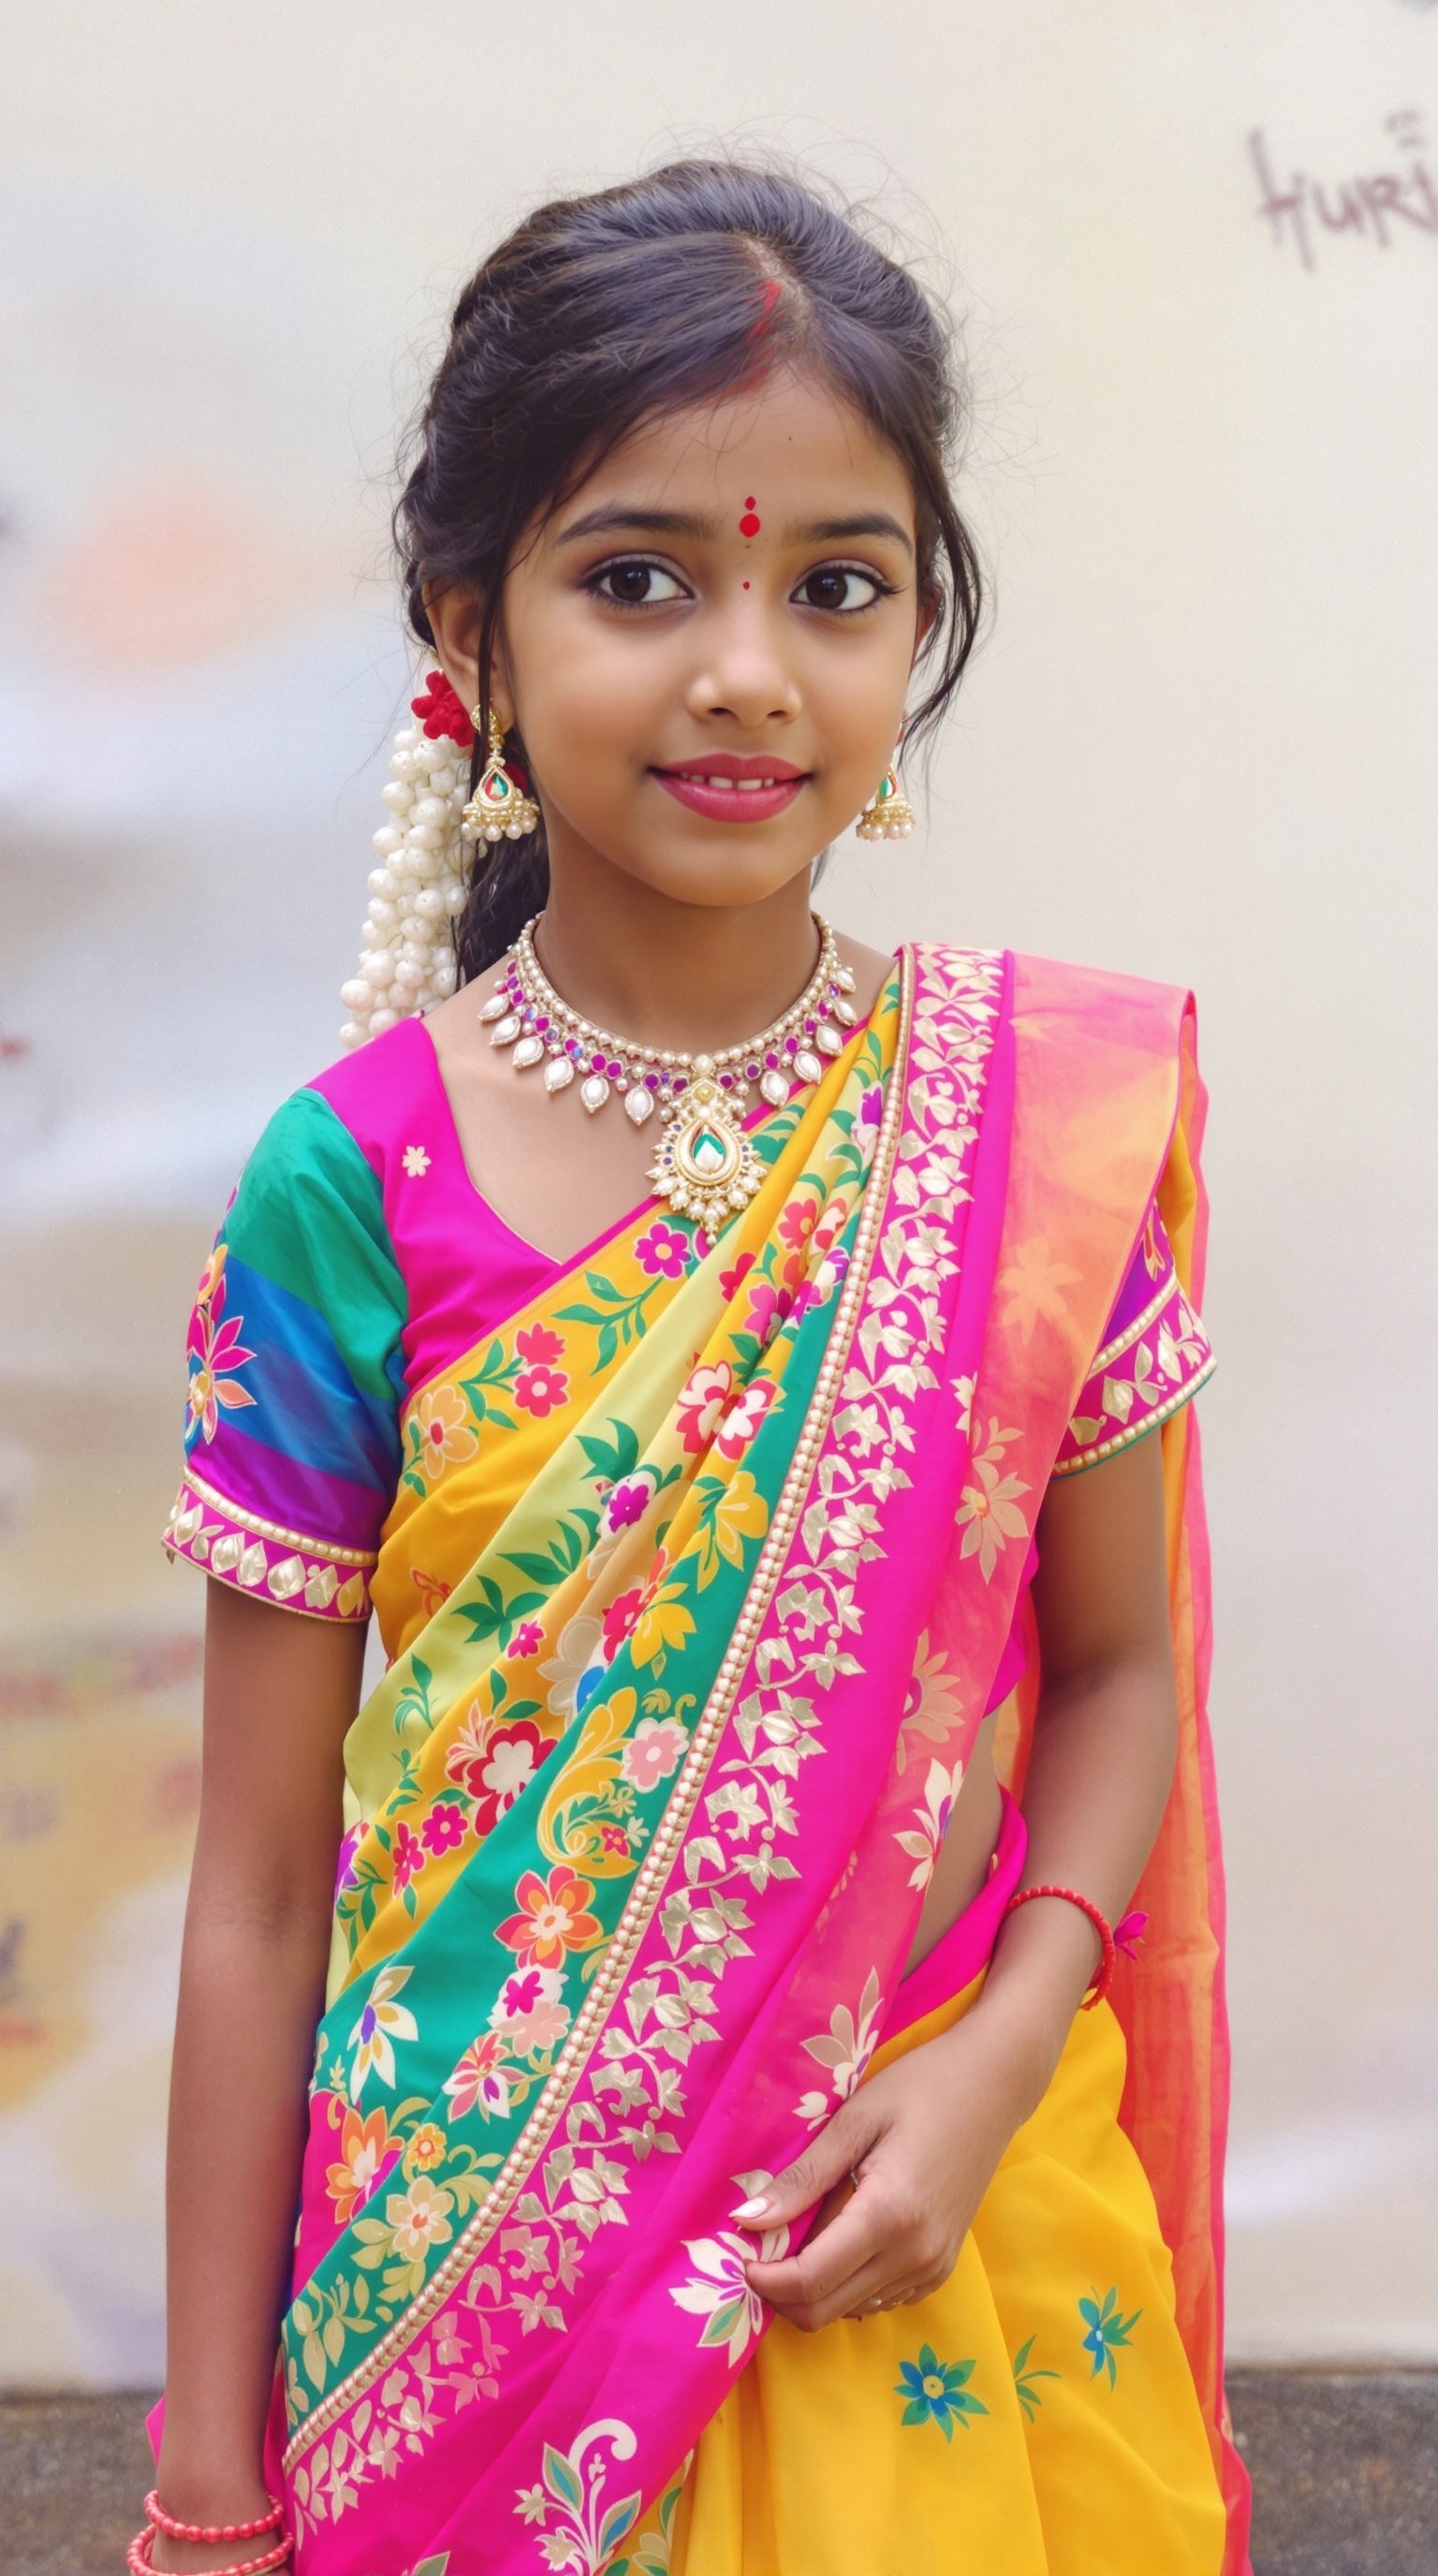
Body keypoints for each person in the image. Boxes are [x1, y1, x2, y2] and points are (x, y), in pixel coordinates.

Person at [139, 156, 1252, 2576]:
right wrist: (208, 2494)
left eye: (835, 587)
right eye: (642, 577)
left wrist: (993, 2056)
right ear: (474, 632)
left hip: (928, 2248)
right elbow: (252, 1892)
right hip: (468, 2286)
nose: (749, 669)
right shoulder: (353, 1184)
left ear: (915, 634)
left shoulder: (1034, 1142)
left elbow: (1119, 1675)